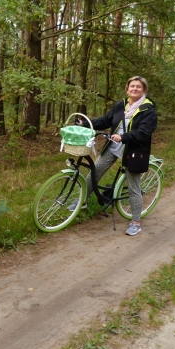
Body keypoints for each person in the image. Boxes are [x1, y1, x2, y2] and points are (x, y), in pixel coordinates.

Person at [70, 76, 157, 236]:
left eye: (138, 87)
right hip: (114, 145)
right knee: (95, 170)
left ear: (144, 90)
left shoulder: (148, 110)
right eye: (132, 86)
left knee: (133, 186)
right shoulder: (121, 105)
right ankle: (82, 200)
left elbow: (144, 132)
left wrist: (124, 137)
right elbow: (105, 120)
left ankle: (136, 222)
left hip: (134, 150)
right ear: (127, 89)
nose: (135, 89)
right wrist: (86, 123)